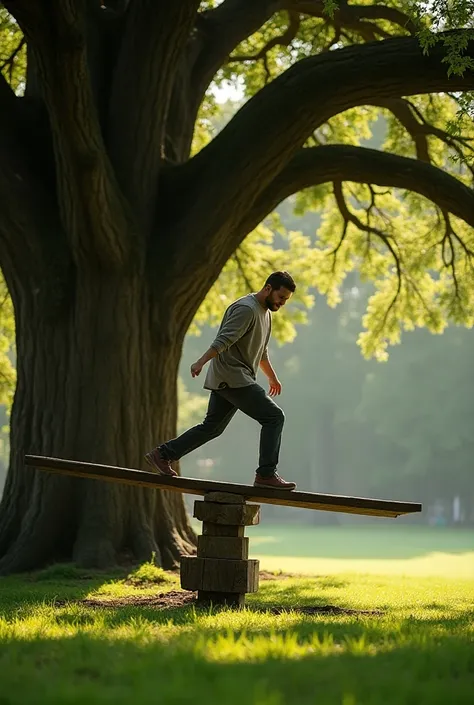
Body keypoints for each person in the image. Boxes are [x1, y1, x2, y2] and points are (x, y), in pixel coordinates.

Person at [145, 271, 297, 490]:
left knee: (212, 427)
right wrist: (200, 361)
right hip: (232, 377)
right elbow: (224, 340)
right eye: (281, 297)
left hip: (232, 378)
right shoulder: (246, 309)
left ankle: (162, 454)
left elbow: (261, 351)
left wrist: (273, 378)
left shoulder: (265, 313)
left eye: (285, 300)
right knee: (274, 417)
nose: (282, 303)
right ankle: (265, 474)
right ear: (268, 289)